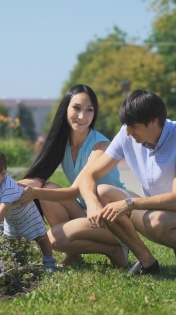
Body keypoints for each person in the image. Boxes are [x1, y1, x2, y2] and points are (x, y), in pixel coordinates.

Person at [72, 89, 176, 280]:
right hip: (154, 210)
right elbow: (89, 175)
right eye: (126, 126)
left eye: (133, 126)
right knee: (103, 192)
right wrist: (92, 203)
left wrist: (130, 203)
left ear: (153, 121)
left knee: (157, 221)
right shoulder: (126, 134)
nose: (128, 132)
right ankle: (147, 261)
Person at [13, 84, 129, 267]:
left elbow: (75, 191)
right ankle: (74, 256)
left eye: (89, 110)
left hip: (113, 218)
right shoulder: (62, 142)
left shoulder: (100, 146)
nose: (82, 116)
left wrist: (35, 193)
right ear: (65, 108)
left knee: (53, 239)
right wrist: (11, 187)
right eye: (76, 108)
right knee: (48, 187)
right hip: (86, 211)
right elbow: (39, 177)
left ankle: (115, 249)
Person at [0, 149, 57, 271]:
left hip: (28, 216)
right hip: (12, 219)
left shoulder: (9, 187)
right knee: (11, 241)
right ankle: (16, 260)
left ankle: (49, 261)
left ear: (3, 173)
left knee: (41, 239)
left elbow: (3, 209)